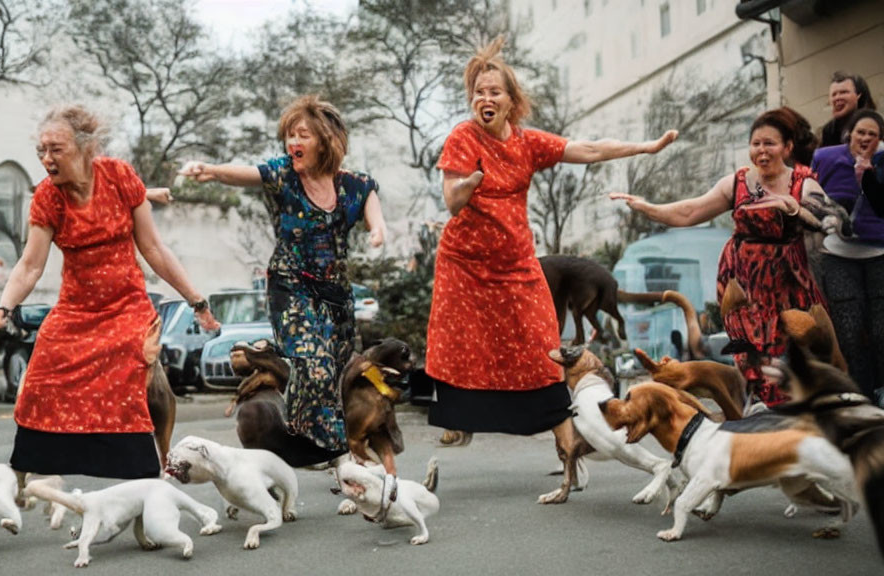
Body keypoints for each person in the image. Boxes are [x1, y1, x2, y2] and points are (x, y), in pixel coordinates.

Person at [425, 37, 677, 440]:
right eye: (478, 93)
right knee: (463, 346)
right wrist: (471, 182)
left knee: (543, 341)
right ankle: (462, 421)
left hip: (517, 264)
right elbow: (453, 202)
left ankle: (564, 435)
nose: (485, 98)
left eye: (494, 92)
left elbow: (590, 150)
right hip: (465, 265)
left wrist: (646, 147)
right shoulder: (463, 137)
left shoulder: (527, 143)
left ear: (511, 100)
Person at [0, 105, 220, 480]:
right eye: (41, 151)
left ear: (86, 146)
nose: (47, 159)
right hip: (76, 309)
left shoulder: (118, 176)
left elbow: (155, 250)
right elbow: (30, 265)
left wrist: (197, 301)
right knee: (42, 369)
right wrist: (4, 307)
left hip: (127, 306)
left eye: (56, 149)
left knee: (128, 362)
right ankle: (29, 468)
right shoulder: (48, 197)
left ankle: (143, 469)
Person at [179, 95, 387, 470]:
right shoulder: (284, 176)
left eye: (303, 134)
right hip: (291, 287)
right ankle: (319, 446)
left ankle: (322, 448)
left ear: (326, 140)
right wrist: (211, 170)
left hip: (336, 295)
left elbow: (374, 210)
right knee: (313, 361)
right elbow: (247, 173)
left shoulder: (354, 185)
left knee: (335, 373)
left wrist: (378, 232)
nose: (294, 142)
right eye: (290, 135)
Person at [612, 107, 837, 406]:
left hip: (788, 285)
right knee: (752, 354)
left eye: (769, 143)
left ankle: (790, 415)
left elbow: (825, 216)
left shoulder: (802, 182)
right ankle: (761, 411)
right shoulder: (737, 183)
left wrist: (793, 208)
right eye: (756, 143)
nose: (761, 150)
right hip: (743, 287)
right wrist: (646, 207)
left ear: (787, 147)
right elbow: (689, 211)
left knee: (793, 353)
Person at [811, 109, 884, 401]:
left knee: (881, 332)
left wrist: (867, 175)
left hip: (879, 252)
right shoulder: (826, 159)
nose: (865, 138)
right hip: (838, 255)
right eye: (860, 132)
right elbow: (811, 193)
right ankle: (860, 395)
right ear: (848, 134)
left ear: (879, 140)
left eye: (872, 134)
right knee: (849, 332)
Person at [818, 71, 877, 148]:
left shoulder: (876, 125)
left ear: (858, 95)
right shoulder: (828, 131)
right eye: (834, 94)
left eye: (843, 92)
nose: (837, 98)